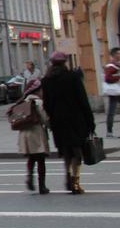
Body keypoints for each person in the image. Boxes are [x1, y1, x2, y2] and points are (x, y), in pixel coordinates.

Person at [39, 51, 95, 194]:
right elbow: (83, 100)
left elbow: (46, 104)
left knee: (66, 152)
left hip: (58, 123)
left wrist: (53, 118)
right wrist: (90, 121)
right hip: (76, 121)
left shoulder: (46, 80)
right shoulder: (73, 77)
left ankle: (68, 176)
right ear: (65, 62)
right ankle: (75, 183)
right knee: (77, 152)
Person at [9, 78, 51, 194]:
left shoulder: (23, 101)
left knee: (31, 158)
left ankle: (29, 177)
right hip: (36, 133)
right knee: (41, 159)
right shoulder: (38, 102)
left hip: (24, 133)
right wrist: (50, 125)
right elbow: (44, 118)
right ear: (37, 90)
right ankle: (42, 186)